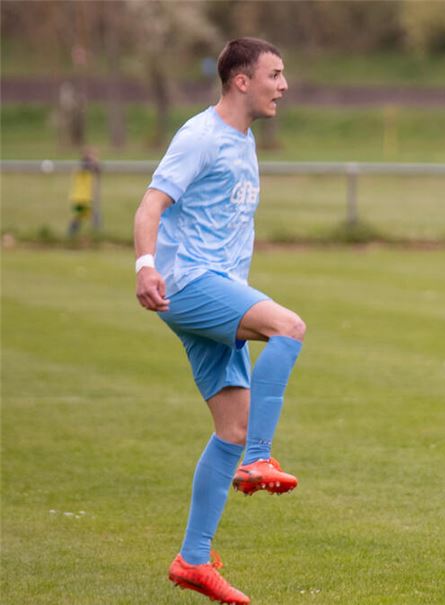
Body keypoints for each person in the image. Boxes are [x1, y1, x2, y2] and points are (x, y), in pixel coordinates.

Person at [134, 37, 301, 605]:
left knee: (228, 428)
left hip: (216, 288)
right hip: (188, 285)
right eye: (274, 75)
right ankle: (260, 457)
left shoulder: (245, 139)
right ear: (241, 80)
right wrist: (145, 267)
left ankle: (193, 560)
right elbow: (150, 205)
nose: (283, 85)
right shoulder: (200, 136)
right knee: (288, 327)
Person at [67, 147, 100, 237]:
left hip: (88, 198)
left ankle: (97, 235)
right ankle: (70, 235)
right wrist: (91, 159)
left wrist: (94, 162)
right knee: (78, 218)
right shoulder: (82, 167)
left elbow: (98, 169)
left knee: (93, 218)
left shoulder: (91, 169)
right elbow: (87, 167)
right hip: (80, 198)